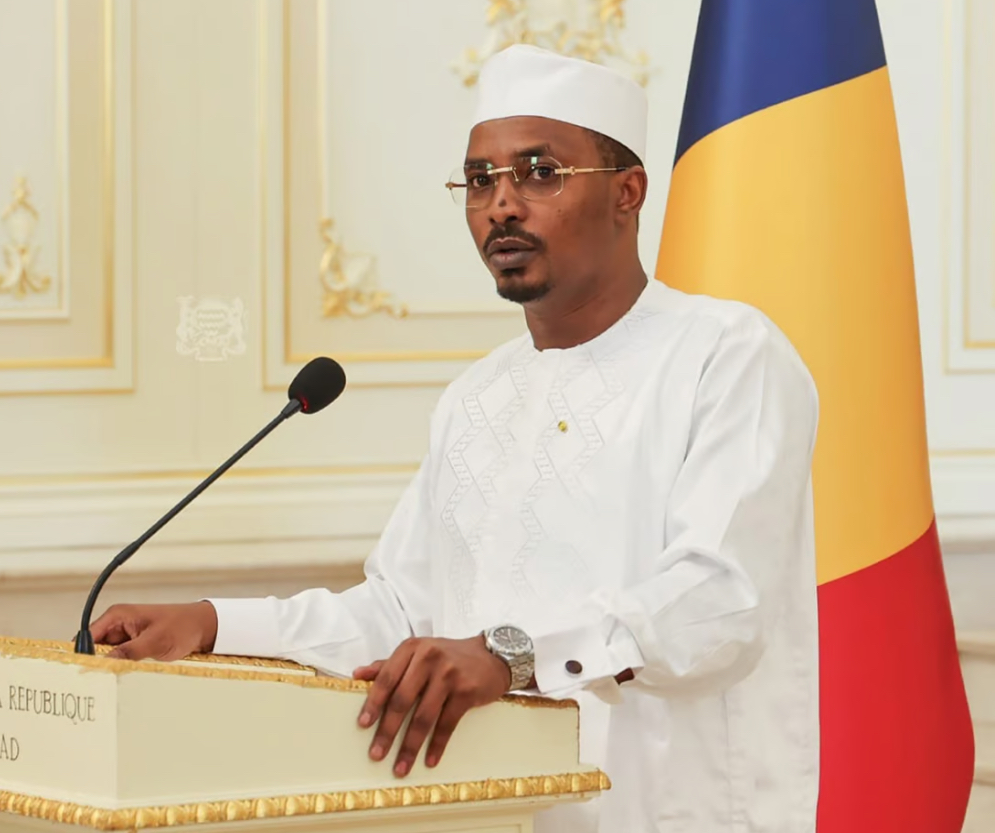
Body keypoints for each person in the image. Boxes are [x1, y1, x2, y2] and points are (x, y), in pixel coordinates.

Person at [92, 44, 821, 833]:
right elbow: (402, 613)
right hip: (492, 812)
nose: (501, 205)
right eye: (479, 181)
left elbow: (720, 603)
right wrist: (214, 624)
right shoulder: (477, 396)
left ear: (627, 191)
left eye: (539, 173)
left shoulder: (726, 353)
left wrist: (508, 655)